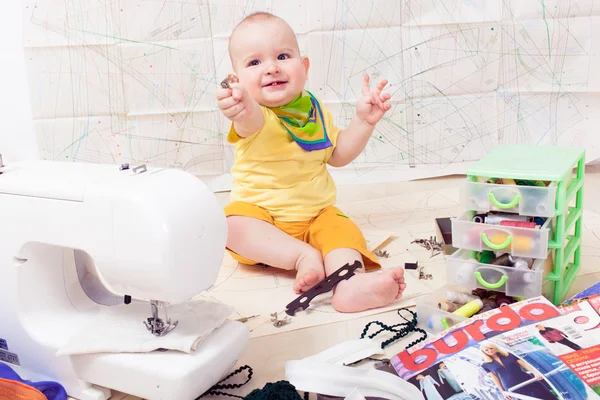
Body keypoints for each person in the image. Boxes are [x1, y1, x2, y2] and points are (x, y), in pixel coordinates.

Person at [216, 11, 406, 313]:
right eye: (255, 62)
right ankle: (302, 257)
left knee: (342, 230)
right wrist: (239, 103)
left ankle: (349, 285)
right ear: (237, 80)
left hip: (315, 216)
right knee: (230, 224)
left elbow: (339, 155)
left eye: (282, 55)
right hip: (263, 219)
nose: (271, 68)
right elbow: (248, 118)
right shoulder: (255, 116)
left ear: (304, 67)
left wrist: (363, 122)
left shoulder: (314, 112)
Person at [480, 342, 556, 400]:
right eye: (487, 350)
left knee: (544, 396)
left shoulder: (509, 355)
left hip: (526, 380)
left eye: (491, 348)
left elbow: (524, 365)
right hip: (511, 387)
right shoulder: (486, 365)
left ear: (495, 347)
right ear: (484, 352)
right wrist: (503, 392)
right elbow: (495, 378)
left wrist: (535, 372)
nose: (490, 351)